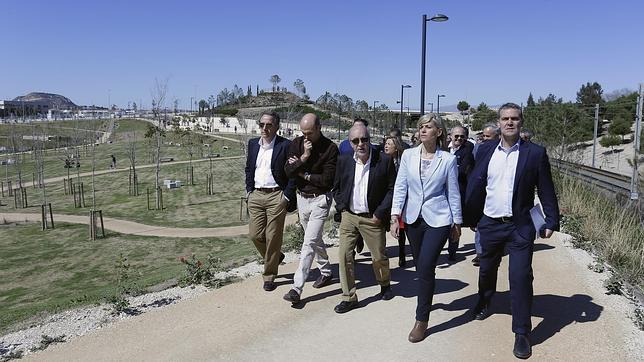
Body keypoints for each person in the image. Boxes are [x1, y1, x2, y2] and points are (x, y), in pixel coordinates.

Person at [465, 103, 560, 359]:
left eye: (514, 119)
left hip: (519, 226)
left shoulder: (535, 153)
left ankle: (521, 331)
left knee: (519, 277)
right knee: (486, 268)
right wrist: (470, 216)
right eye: (505, 118)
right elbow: (475, 183)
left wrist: (551, 220)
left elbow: (546, 189)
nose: (509, 123)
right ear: (499, 122)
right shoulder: (484, 150)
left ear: (521, 122)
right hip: (489, 223)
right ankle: (485, 300)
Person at [390, 113, 462, 343]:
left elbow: (453, 191)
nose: (422, 130)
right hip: (413, 219)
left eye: (428, 127)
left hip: (438, 219)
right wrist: (395, 216)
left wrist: (457, 222)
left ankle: (421, 319)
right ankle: (427, 296)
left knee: (428, 264)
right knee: (422, 268)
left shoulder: (448, 159)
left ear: (438, 132)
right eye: (421, 127)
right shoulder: (408, 156)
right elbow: (400, 187)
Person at [332, 124, 396, 313]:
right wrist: (342, 208)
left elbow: (393, 188)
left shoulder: (383, 160)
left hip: (372, 218)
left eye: (364, 139)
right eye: (356, 141)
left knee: (378, 257)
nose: (361, 144)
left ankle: (384, 283)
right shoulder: (344, 161)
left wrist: (380, 214)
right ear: (350, 143)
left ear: (369, 140)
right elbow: (336, 187)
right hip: (349, 217)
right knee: (344, 256)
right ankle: (349, 297)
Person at [283, 113, 338, 304]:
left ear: (319, 128)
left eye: (309, 133)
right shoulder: (296, 144)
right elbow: (289, 172)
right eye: (303, 132)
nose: (306, 137)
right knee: (313, 239)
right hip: (301, 198)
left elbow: (326, 180)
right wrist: (305, 156)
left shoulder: (331, 148)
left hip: (321, 199)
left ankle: (296, 288)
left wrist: (303, 174)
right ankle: (326, 271)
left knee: (308, 244)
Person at [244, 111, 296, 292]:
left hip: (276, 195)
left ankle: (269, 275)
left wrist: (287, 196)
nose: (264, 128)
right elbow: (249, 168)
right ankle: (276, 256)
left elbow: (293, 172)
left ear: (277, 127)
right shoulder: (252, 144)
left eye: (269, 125)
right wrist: (249, 191)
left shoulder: (285, 145)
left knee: (273, 236)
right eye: (262, 124)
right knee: (255, 235)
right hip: (256, 195)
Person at [471, 123, 500, 266]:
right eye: (484, 136)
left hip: (495, 193)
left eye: (488, 136)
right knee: (480, 224)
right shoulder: (479, 148)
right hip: (481, 192)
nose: (485, 139)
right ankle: (480, 253)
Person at [447, 125, 474, 261]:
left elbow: (462, 171)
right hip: (441, 192)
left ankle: (452, 250)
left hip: (458, 191)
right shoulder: (443, 148)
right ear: (450, 136)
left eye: (462, 136)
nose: (458, 138)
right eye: (456, 136)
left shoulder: (467, 151)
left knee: (454, 222)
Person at [383, 135, 407, 267]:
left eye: (389, 144)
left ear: (396, 147)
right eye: (385, 143)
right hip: (384, 198)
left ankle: (402, 253)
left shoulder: (402, 162)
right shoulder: (380, 160)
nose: (386, 146)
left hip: (398, 200)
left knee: (400, 229)